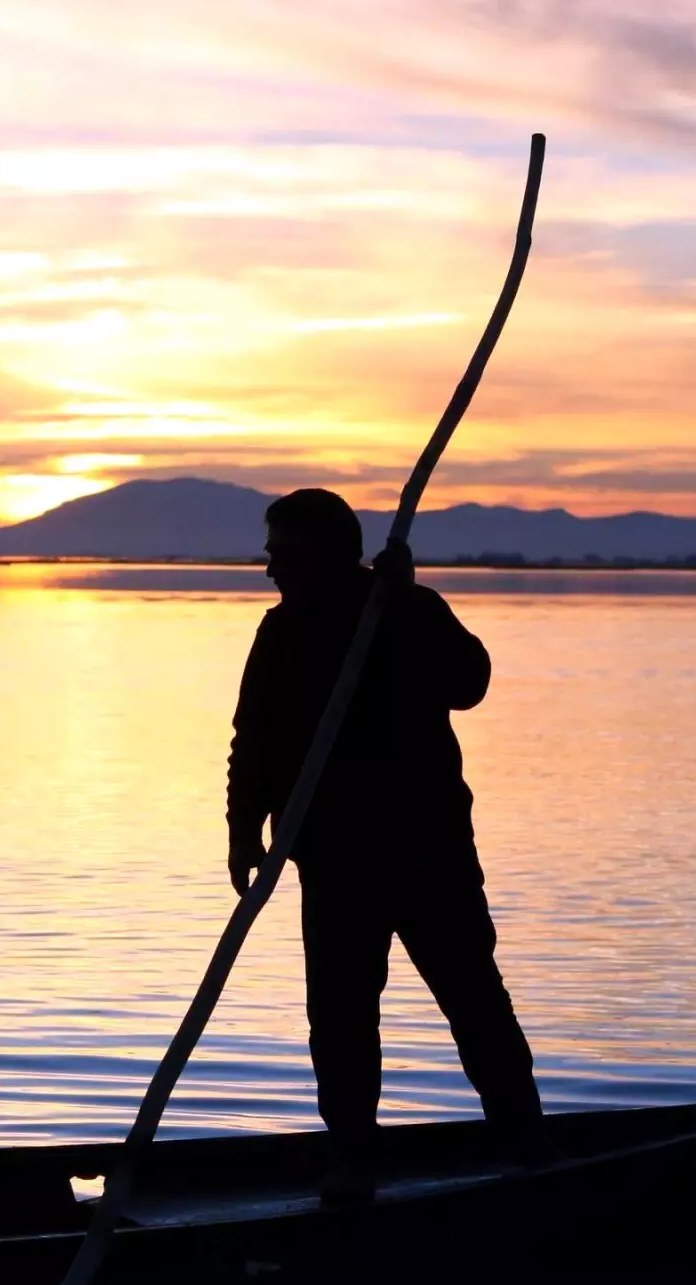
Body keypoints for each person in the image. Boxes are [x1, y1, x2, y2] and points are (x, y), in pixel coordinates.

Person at [226, 487, 546, 1202]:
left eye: (285, 555)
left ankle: (527, 1147)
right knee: (339, 1017)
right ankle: (353, 1162)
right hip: (333, 860)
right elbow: (254, 741)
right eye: (271, 555)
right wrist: (243, 829)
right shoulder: (280, 633)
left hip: (425, 851)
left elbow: (471, 681)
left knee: (472, 997)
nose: (271, 569)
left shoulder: (401, 611)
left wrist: (403, 601)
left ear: (331, 554)